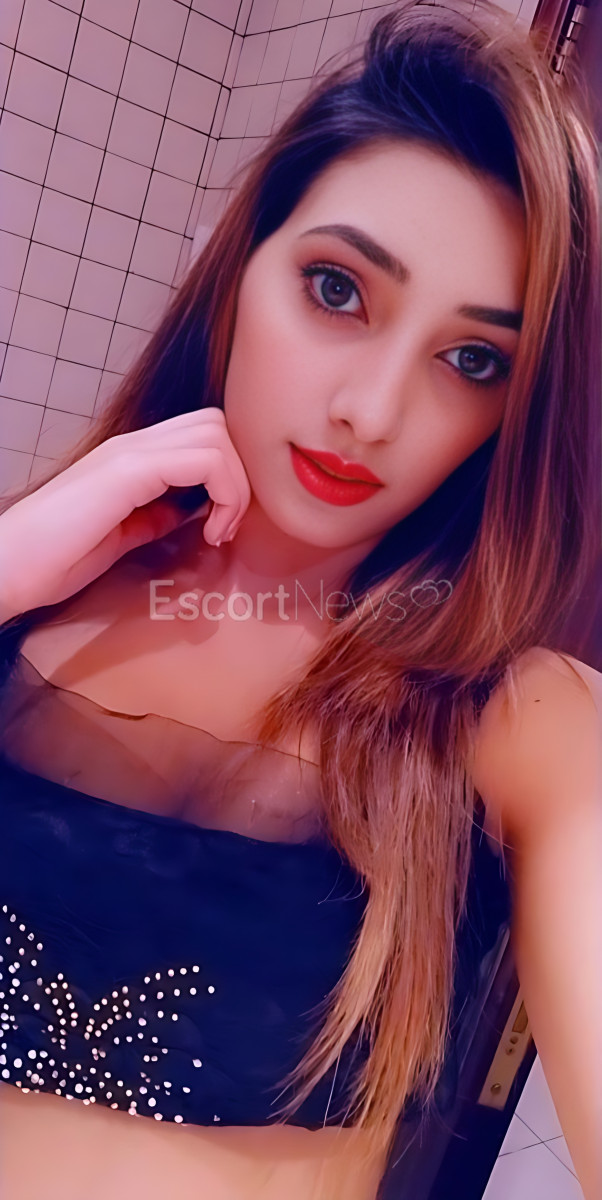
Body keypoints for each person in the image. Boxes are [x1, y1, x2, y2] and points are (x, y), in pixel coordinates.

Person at [0, 2, 600, 1197]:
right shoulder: (28, 597)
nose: (369, 412)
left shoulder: (518, 720)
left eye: (471, 360)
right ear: (239, 271)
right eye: (335, 289)